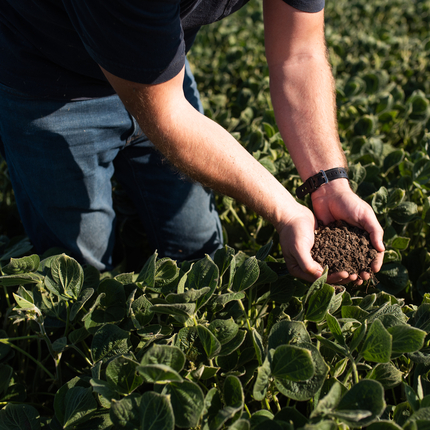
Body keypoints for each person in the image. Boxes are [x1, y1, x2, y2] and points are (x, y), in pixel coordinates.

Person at [0, 0, 384, 283]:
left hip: (161, 76)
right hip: (46, 89)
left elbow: (298, 56)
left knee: (198, 249)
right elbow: (167, 117)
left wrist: (329, 183)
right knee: (77, 274)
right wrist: (286, 212)